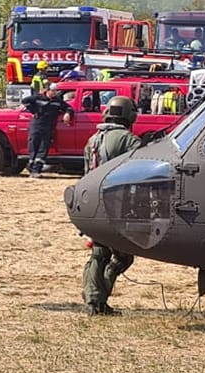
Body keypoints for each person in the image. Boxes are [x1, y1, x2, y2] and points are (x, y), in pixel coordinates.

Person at [82, 96, 144, 315]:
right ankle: (98, 298)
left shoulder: (93, 139)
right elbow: (140, 170)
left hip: (91, 203)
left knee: (99, 253)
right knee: (122, 256)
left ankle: (94, 300)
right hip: (116, 204)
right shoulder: (128, 139)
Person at [22, 82, 71, 178]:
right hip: (36, 124)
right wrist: (33, 110)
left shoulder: (57, 101)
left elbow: (68, 107)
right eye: (53, 91)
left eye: (56, 91)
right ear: (47, 90)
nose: (55, 93)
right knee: (33, 145)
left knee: (43, 148)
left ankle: (36, 170)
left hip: (48, 127)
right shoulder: (38, 98)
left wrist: (68, 113)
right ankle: (31, 168)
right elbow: (25, 101)